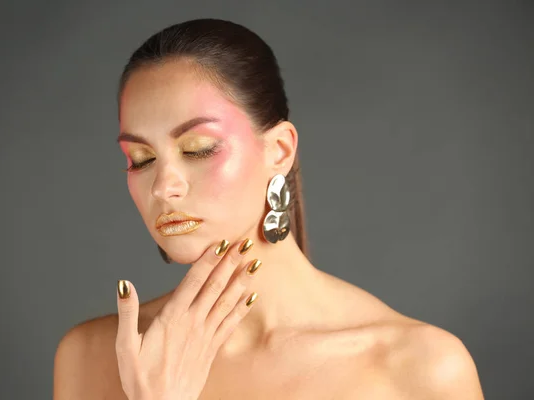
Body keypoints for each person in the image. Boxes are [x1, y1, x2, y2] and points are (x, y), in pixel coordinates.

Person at [53, 18, 484, 399]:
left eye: (198, 149)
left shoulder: (420, 368)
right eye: (141, 159)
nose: (164, 187)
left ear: (279, 150)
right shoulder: (90, 356)